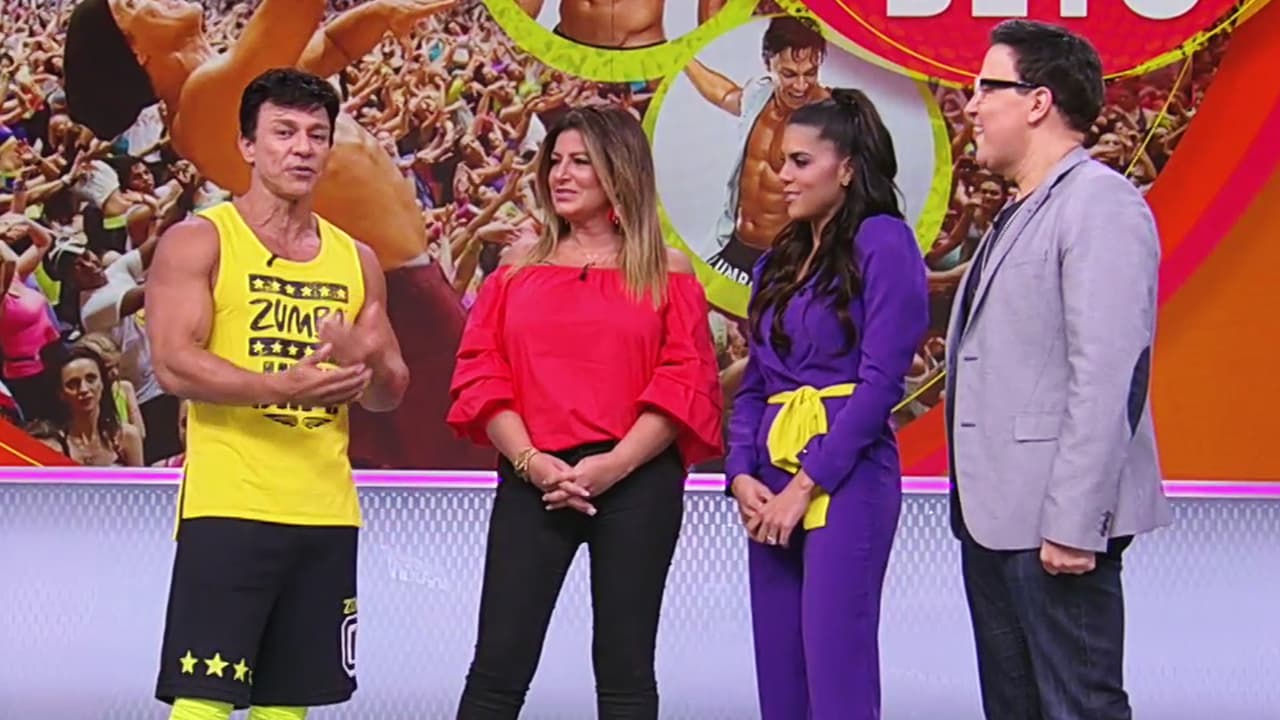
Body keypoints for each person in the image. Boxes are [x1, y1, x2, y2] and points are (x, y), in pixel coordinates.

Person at [62, 0, 486, 470]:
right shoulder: (205, 101)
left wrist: (382, 13)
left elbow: (330, 46)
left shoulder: (221, 84)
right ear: (136, 50)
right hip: (394, 296)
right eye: (130, 4)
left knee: (446, 450)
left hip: (392, 283)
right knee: (461, 457)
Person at [144, 68, 409, 720]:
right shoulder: (200, 240)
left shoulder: (357, 259)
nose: (302, 148)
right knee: (204, 701)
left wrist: (369, 361)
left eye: (316, 135)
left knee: (289, 706)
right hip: (229, 506)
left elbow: (389, 393)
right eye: (284, 132)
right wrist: (276, 386)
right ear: (248, 145)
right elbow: (174, 364)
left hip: (326, 511)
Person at [446, 106, 722, 719]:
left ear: (618, 172)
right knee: (497, 667)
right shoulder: (516, 269)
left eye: (580, 162)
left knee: (625, 671)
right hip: (534, 479)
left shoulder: (668, 271)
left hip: (636, 482)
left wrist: (614, 465)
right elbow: (482, 373)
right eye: (556, 162)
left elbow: (685, 382)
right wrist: (531, 461)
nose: (560, 175)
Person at [945, 20, 1172, 720]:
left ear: (1038, 101)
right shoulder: (1019, 210)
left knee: (1078, 706)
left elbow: (1108, 375)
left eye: (988, 88)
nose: (972, 106)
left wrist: (1076, 521)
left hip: (1055, 524)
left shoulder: (1099, 203)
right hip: (993, 520)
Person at [723, 89, 928, 719]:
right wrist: (741, 475)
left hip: (845, 478)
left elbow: (881, 384)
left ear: (846, 168)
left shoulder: (884, 242)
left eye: (801, 161)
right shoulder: (774, 266)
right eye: (782, 161)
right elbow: (756, 384)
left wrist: (805, 486)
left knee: (837, 669)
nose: (782, 175)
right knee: (780, 675)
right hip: (770, 480)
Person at [683, 16, 829, 284]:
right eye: (789, 74)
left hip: (788, 261)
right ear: (767, 64)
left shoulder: (830, 116)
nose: (800, 85)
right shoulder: (759, 97)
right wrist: (681, 57)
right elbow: (724, 94)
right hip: (734, 246)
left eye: (810, 73)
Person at [515, 0, 728, 48]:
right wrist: (515, 31)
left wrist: (712, 49)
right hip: (566, 44)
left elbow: (712, 9)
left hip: (639, 53)